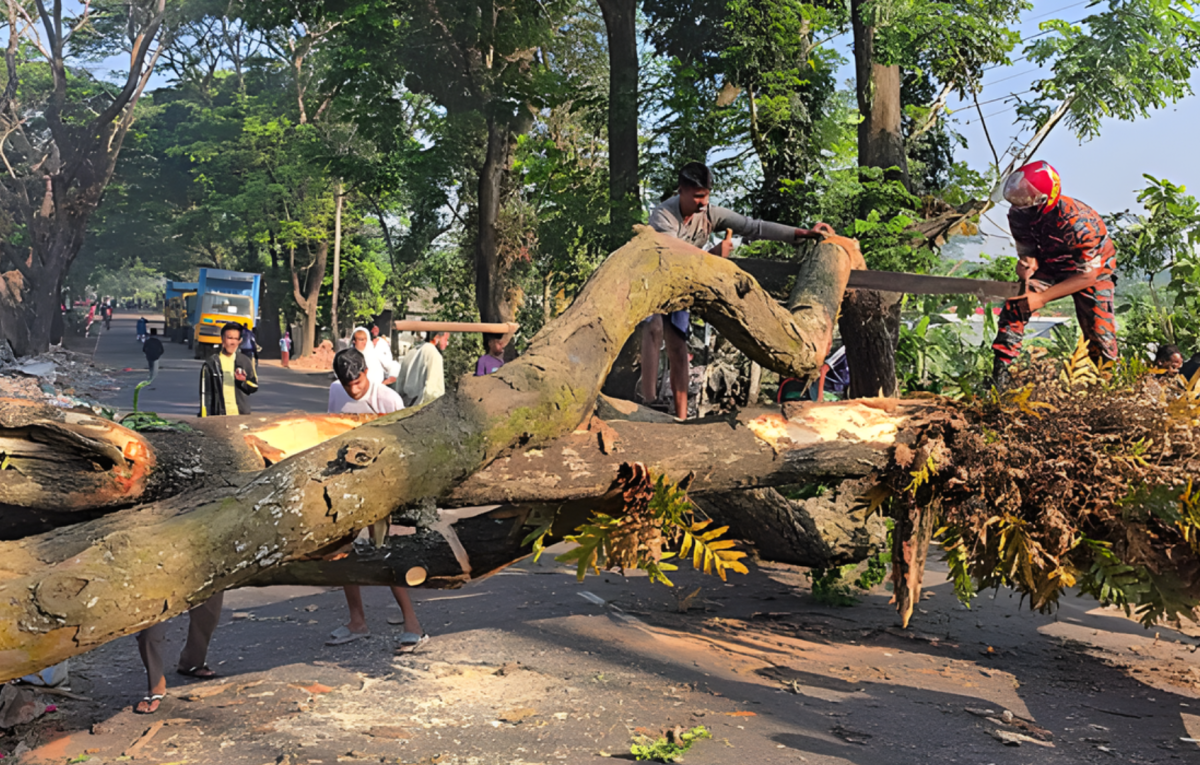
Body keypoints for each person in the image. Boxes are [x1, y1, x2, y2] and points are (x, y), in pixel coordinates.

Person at [645, 162, 833, 419]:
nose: (703, 202)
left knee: (678, 346)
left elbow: (753, 226)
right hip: (652, 281)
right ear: (681, 191)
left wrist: (799, 234)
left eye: (707, 196)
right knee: (653, 327)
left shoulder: (710, 214)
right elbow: (674, 254)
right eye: (698, 196)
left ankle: (681, 416)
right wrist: (713, 255)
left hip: (683, 287)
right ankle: (647, 401)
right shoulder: (662, 216)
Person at [325, 348, 427, 652]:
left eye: (357, 382)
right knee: (340, 551)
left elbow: (400, 448)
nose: (353, 389)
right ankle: (357, 621)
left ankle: (412, 623)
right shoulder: (335, 393)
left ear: (366, 372)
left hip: (380, 488)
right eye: (347, 385)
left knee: (385, 553)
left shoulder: (388, 400)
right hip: (346, 486)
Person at [991, 161, 1118, 389]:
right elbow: (1028, 254)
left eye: (1028, 200)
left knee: (1099, 332)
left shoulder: (1079, 222)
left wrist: (1041, 298)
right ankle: (1001, 375)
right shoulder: (1019, 215)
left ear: (1045, 199)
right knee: (1016, 304)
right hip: (1051, 265)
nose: (1022, 206)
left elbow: (1087, 276)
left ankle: (1107, 387)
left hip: (1092, 273)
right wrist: (1026, 268)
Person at [199, 323, 258, 417]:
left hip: (240, 415)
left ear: (240, 341)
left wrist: (242, 382)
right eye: (229, 338)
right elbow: (205, 395)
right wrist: (205, 418)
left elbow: (254, 387)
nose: (233, 342)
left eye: (236, 339)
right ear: (222, 339)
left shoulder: (244, 361)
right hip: (219, 416)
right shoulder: (211, 363)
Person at [399, 331, 449, 408]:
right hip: (419, 410)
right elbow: (433, 393)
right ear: (438, 337)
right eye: (446, 339)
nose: (447, 343)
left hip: (405, 406)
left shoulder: (411, 352)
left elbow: (399, 386)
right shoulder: (434, 354)